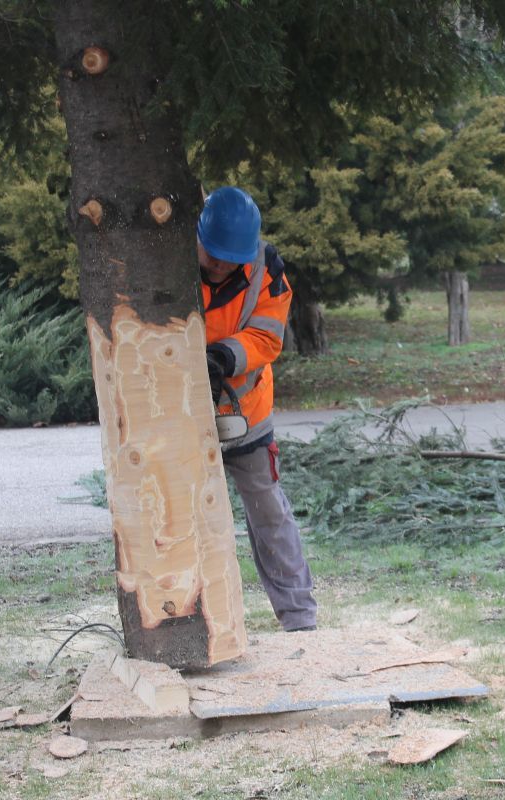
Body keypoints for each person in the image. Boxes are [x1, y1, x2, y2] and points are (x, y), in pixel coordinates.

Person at [197, 186, 318, 633]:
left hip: (245, 411)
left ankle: (299, 615)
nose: (221, 266)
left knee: (270, 512)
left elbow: (268, 337)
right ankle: (193, 618)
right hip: (182, 415)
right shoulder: (168, 260)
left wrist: (224, 356)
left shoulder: (268, 271)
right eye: (213, 257)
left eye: (230, 260)